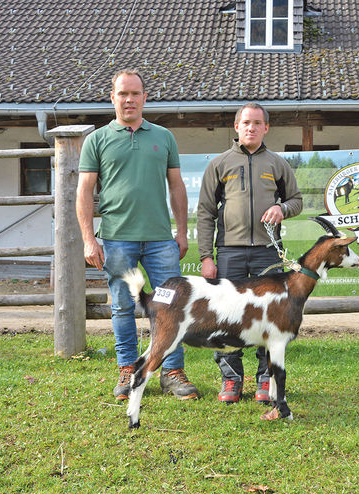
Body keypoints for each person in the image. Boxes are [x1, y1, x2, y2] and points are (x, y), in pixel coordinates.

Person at [76, 69, 198, 401]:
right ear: (112, 97)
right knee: (122, 307)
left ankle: (172, 372)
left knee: (170, 307)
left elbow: (176, 187)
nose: (129, 99)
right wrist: (89, 239)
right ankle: (128, 369)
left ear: (145, 97)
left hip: (161, 239)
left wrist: (183, 232)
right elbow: (84, 192)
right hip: (117, 239)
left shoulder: (164, 137)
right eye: (122, 94)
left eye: (135, 93)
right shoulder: (97, 140)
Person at [197, 102, 303, 404]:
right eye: (246, 123)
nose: (251, 128)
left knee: (268, 319)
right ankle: (231, 380)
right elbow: (205, 212)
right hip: (229, 253)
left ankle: (264, 379)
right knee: (227, 318)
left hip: (267, 255)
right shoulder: (219, 164)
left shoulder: (277, 164)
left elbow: (296, 200)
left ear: (266, 128)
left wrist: (281, 208)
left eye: (257, 123)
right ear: (236, 126)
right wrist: (206, 257)